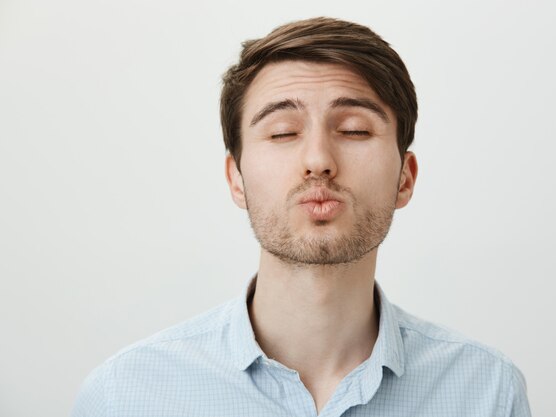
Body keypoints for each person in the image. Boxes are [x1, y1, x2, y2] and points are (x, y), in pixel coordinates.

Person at [72, 16, 532, 417]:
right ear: (237, 179)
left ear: (405, 179)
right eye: (283, 132)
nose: (317, 160)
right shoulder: (124, 396)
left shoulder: (487, 390)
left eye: (354, 129)